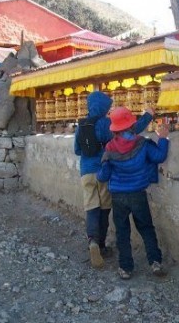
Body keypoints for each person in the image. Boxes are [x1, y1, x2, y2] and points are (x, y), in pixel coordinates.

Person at [74, 91, 153, 269]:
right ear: (103, 107)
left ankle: (92, 241)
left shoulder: (81, 125)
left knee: (91, 207)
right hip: (103, 170)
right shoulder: (105, 123)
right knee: (104, 208)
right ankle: (101, 246)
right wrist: (148, 115)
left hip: (86, 172)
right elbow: (130, 130)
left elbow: (77, 150)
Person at [97, 106, 169, 280]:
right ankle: (155, 262)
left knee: (122, 232)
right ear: (131, 125)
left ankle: (126, 268)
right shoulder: (142, 143)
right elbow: (159, 157)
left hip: (118, 197)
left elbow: (103, 176)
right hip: (138, 193)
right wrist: (163, 138)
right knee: (146, 228)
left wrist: (99, 171)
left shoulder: (110, 147)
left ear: (114, 128)